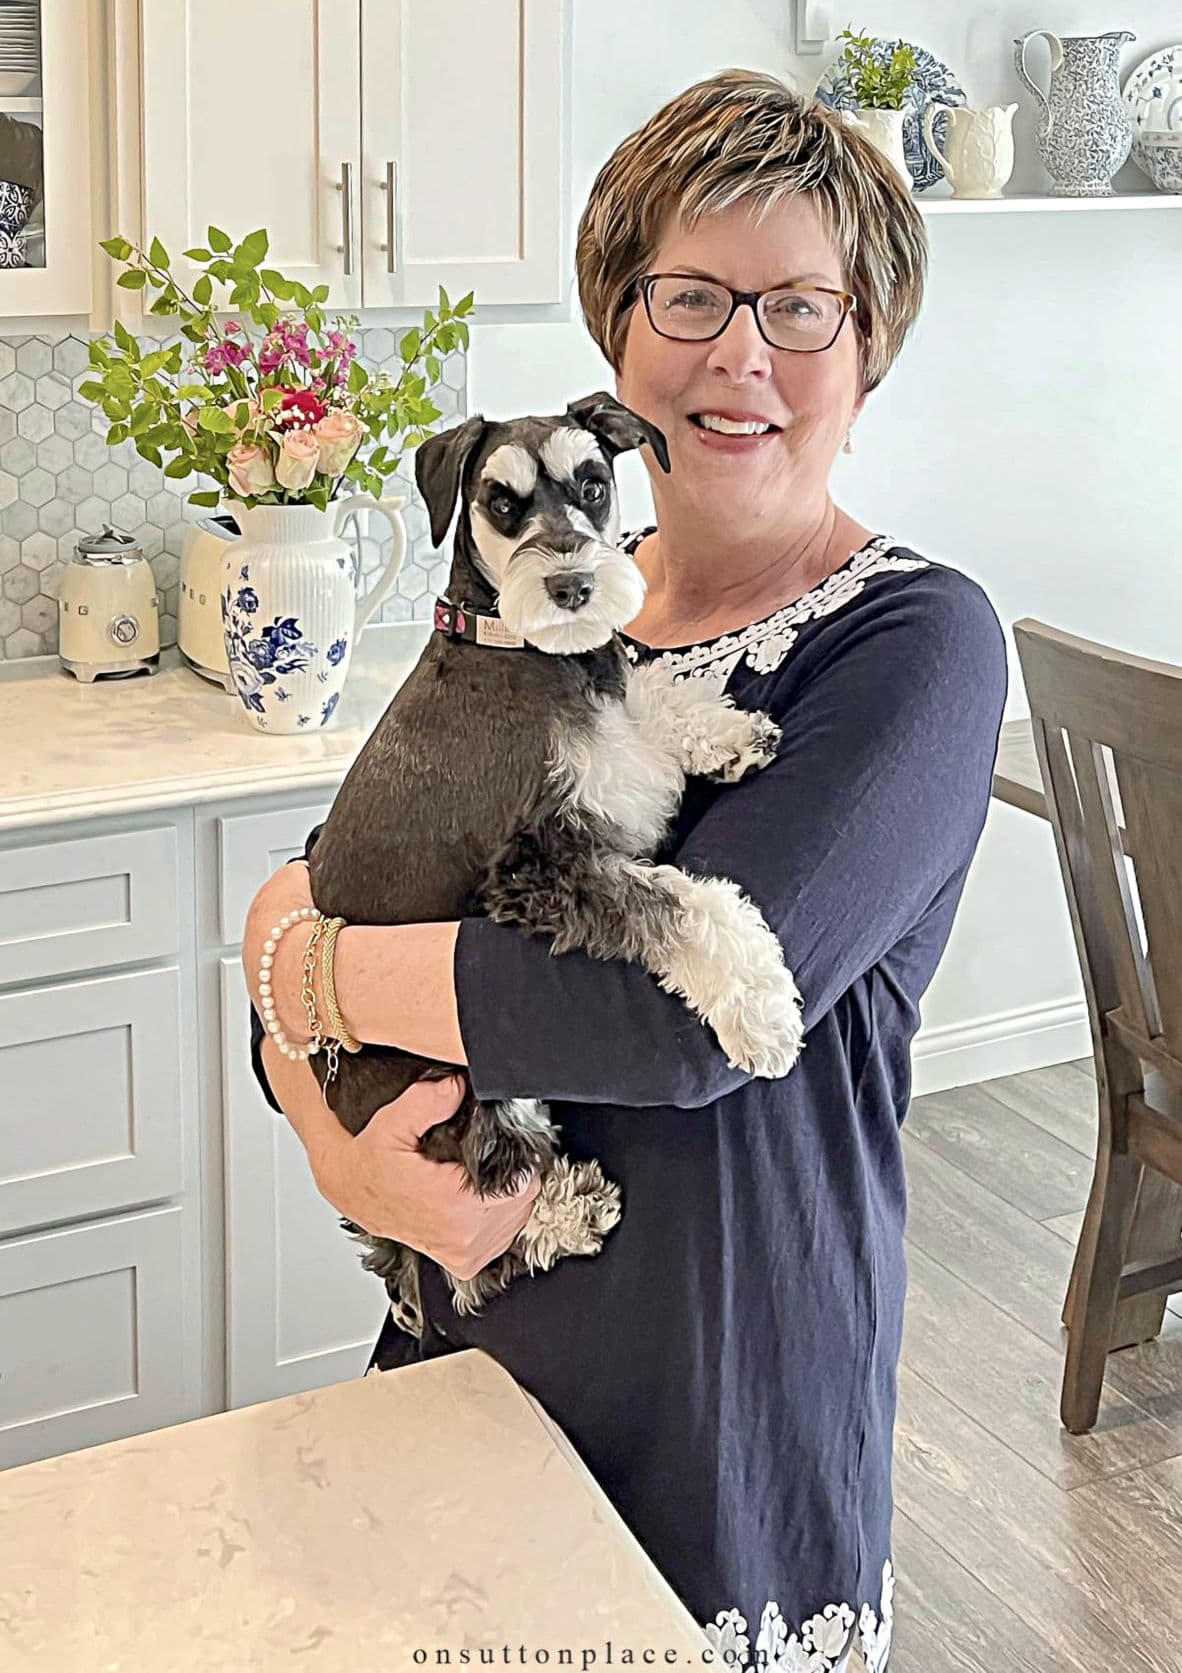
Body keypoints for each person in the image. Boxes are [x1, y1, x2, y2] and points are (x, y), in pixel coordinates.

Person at [244, 70, 1007, 1672]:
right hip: (467, 1320)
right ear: (619, 344)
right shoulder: (547, 610)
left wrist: (299, 970)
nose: (741, 353)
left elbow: (660, 1030)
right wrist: (338, 1135)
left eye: (802, 306)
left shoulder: (912, 643)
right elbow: (354, 875)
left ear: (866, 357)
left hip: (715, 1373)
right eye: (692, 296)